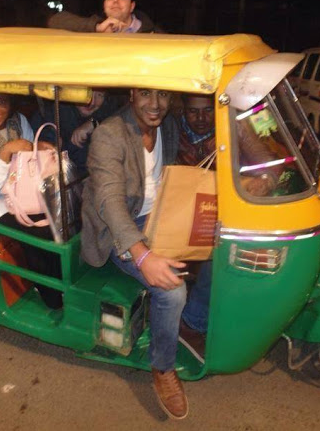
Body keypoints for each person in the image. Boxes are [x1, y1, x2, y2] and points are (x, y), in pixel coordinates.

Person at [81, 88, 208, 420]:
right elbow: (110, 201)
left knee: (217, 242)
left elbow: (173, 172)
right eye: (147, 94)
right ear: (132, 93)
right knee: (172, 289)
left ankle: (193, 321)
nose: (156, 104)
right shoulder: (110, 134)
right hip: (118, 229)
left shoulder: (167, 126)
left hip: (160, 216)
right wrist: (142, 255)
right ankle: (163, 367)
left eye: (163, 95)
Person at [0, 90, 63, 309]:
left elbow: (27, 159)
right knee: (38, 235)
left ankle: (60, 281)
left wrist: (38, 147)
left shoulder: (18, 121)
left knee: (61, 221)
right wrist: (5, 153)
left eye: (1, 101)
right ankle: (51, 296)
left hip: (23, 192)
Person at [177, 93, 280, 197]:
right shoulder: (173, 132)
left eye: (208, 110)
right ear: (183, 110)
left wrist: (266, 181)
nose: (200, 118)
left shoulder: (235, 128)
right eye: (192, 111)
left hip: (232, 197)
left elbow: (271, 164)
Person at [31, 90, 118, 177]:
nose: (91, 102)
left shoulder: (111, 115)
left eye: (99, 95)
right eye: (86, 93)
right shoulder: (51, 116)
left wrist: (95, 122)